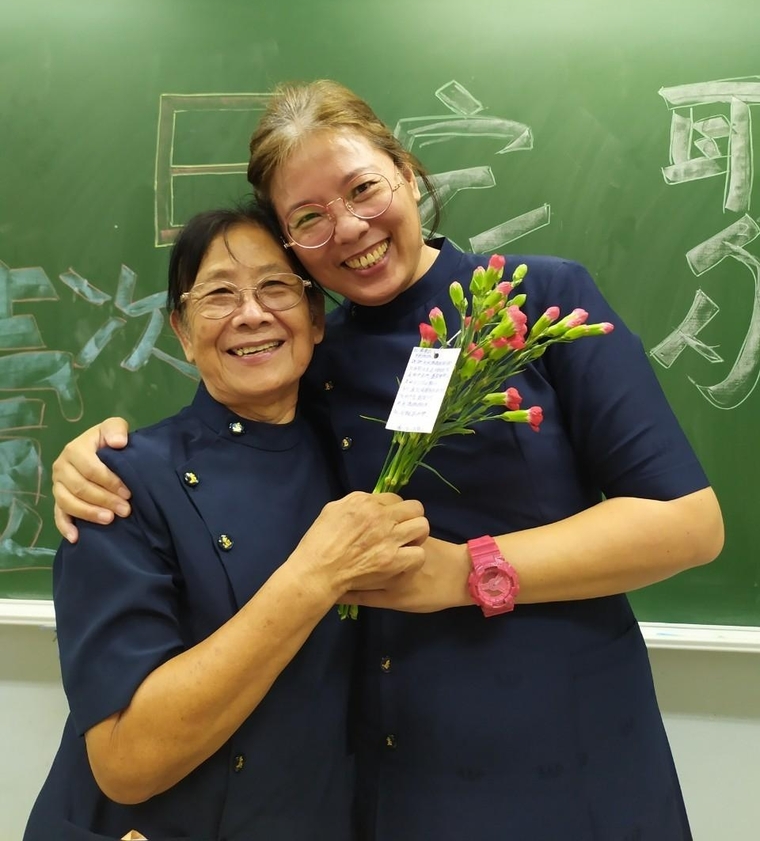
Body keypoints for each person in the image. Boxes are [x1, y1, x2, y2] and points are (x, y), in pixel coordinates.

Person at [53, 81, 724, 841]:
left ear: (406, 172)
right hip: (392, 776)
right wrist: (92, 455)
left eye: (363, 188)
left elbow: (689, 524)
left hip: (570, 748)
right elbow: (223, 443)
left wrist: (467, 571)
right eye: (308, 218)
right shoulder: (312, 357)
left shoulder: (537, 301)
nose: (348, 228)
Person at [26, 202, 429, 841]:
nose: (251, 313)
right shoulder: (121, 483)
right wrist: (313, 577)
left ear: (315, 317)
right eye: (218, 295)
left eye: (276, 287)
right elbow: (127, 761)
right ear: (182, 332)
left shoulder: (362, 461)